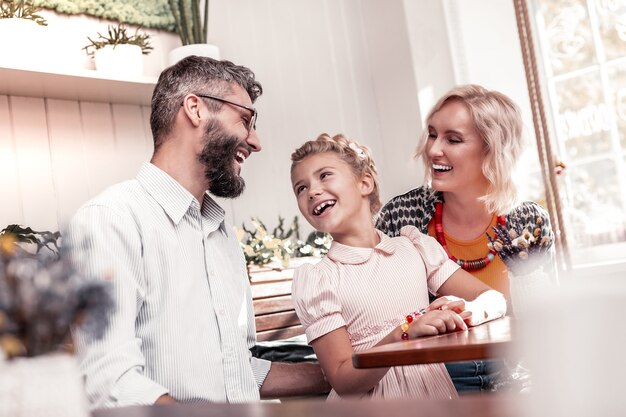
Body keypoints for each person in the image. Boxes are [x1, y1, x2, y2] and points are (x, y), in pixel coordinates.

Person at [65, 56, 328, 409]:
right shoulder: (110, 220)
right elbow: (109, 380)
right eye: (245, 120)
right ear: (195, 108)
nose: (256, 141)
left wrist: (347, 372)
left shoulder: (220, 234)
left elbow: (236, 370)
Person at [289, 133, 507, 400]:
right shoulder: (318, 279)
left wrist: (469, 311)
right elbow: (343, 381)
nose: (312, 191)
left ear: (364, 182)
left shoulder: (414, 247)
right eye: (301, 188)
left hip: (435, 396)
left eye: (324, 175)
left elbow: (495, 299)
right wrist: (403, 335)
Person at [375, 84, 555, 393]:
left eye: (453, 139)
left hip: (518, 379)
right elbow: (386, 319)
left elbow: (545, 320)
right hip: (436, 383)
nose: (433, 149)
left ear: (492, 149)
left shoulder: (529, 222)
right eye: (432, 135)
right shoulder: (403, 215)